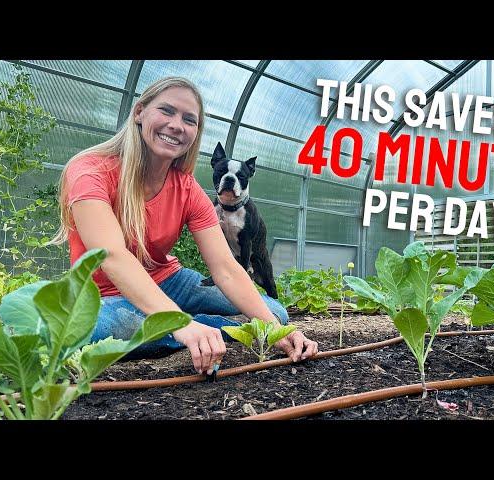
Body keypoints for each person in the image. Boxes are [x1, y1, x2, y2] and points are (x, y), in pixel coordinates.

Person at [50, 76, 318, 375]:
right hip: (105, 293)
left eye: (189, 119)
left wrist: (278, 332)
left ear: (196, 132)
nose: (177, 125)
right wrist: (181, 323)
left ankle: (168, 324)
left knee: (275, 315)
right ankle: (189, 326)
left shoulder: (186, 187)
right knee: (78, 335)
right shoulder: (90, 170)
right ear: (139, 112)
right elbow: (111, 256)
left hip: (169, 280)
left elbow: (226, 268)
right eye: (166, 111)